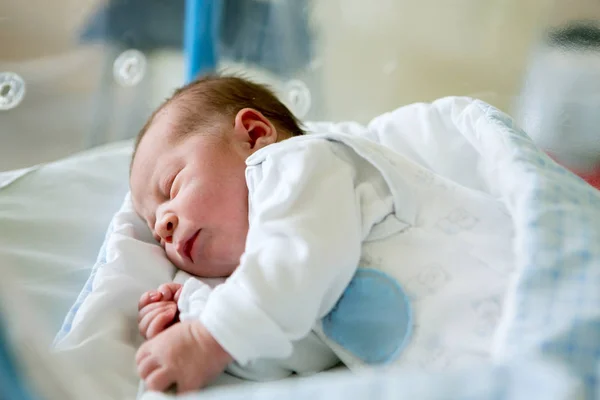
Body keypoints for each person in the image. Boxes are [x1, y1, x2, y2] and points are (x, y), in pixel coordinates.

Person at [130, 74, 514, 393]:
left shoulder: (299, 163)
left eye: (173, 185)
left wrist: (208, 338)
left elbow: (296, 256)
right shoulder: (284, 295)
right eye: (153, 226)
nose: (163, 225)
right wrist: (195, 312)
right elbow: (290, 355)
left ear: (252, 133)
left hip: (511, 293)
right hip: (480, 374)